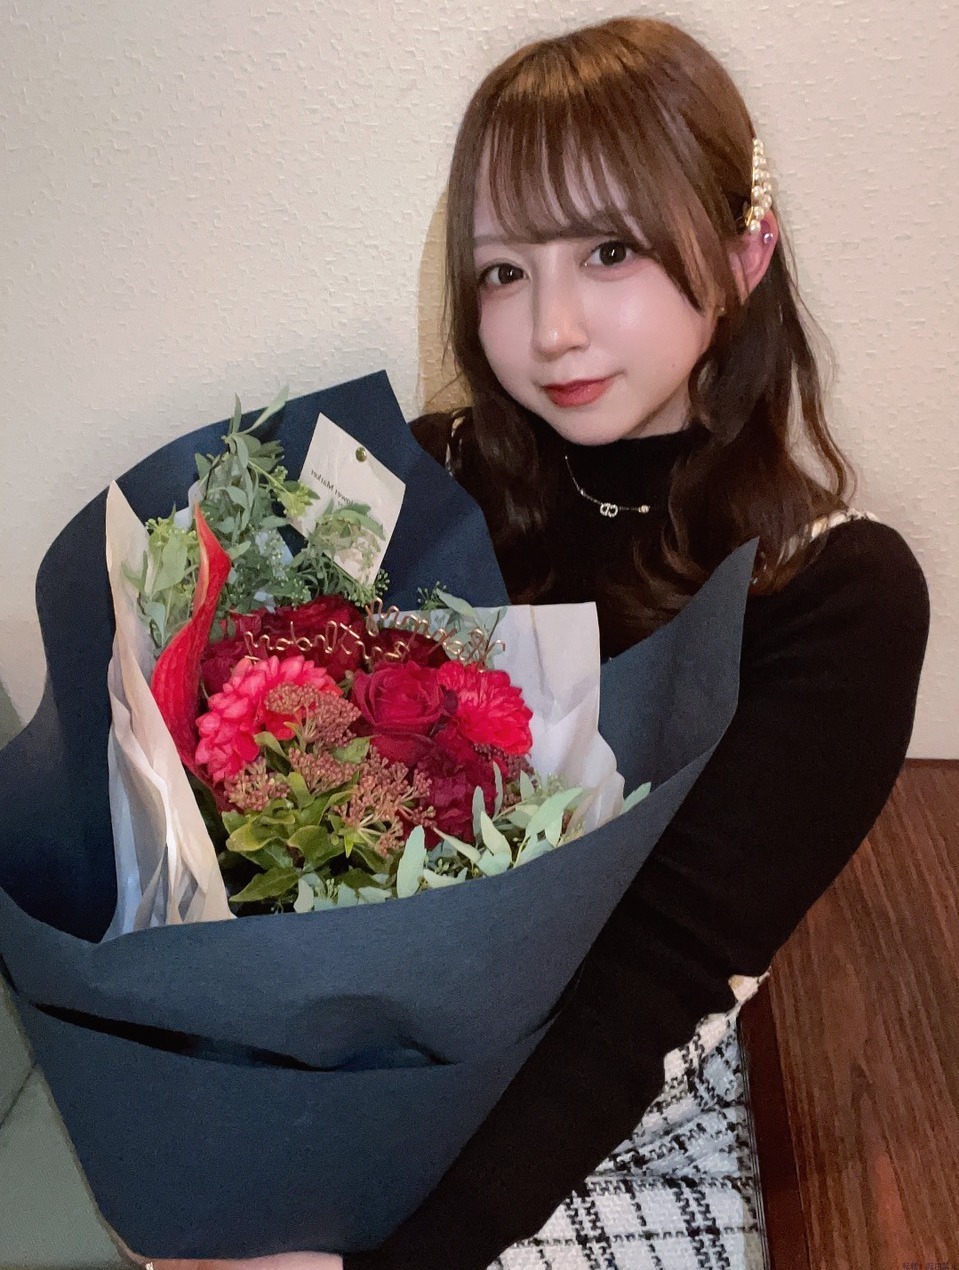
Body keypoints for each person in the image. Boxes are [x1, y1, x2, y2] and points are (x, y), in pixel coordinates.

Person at [141, 14, 929, 1270]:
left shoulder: (828, 595)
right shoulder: (419, 481)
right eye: (503, 271)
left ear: (744, 250)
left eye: (607, 251)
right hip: (340, 1088)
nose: (549, 328)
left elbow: (652, 986)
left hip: (600, 1127)